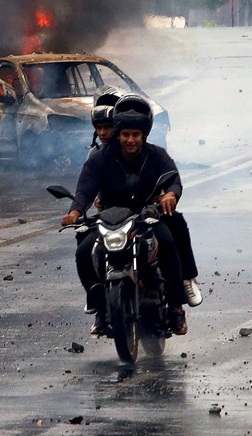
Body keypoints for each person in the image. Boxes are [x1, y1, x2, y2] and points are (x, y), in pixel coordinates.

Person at [62, 95, 192, 336]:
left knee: (168, 244)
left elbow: (173, 179)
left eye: (136, 135)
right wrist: (75, 211)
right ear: (119, 134)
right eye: (125, 135)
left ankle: (176, 307)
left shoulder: (157, 155)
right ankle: (100, 308)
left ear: (144, 135)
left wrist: (169, 195)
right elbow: (85, 189)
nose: (130, 140)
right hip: (110, 220)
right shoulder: (100, 158)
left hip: (147, 218)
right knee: (84, 252)